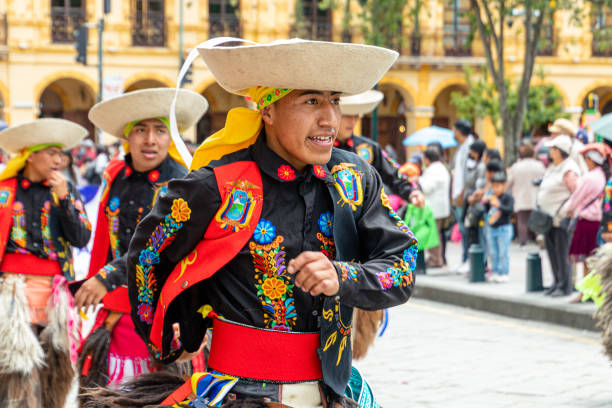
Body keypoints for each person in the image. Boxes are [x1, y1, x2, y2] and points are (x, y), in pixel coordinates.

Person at [125, 38, 416, 407]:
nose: (329, 118)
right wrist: (168, 340)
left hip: (330, 394)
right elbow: (147, 256)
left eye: (335, 100)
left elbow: (403, 264)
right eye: (311, 101)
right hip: (238, 395)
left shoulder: (355, 179)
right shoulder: (216, 186)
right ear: (267, 110)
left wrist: (343, 277)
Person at [73, 88, 209, 389]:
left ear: (170, 137)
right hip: (117, 315)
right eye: (141, 130)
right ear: (127, 137)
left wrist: (105, 277)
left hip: (165, 313)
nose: (151, 140)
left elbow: (156, 245)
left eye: (160, 130)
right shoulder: (116, 176)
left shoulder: (183, 183)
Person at [0, 118, 91, 408]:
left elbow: (80, 237)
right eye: (51, 152)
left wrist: (65, 198)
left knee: (54, 372)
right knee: (15, 371)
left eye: (61, 154)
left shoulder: (65, 190)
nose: (58, 160)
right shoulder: (4, 190)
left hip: (54, 295)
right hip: (11, 293)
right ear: (30, 154)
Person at [336, 89, 420, 204]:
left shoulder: (368, 148)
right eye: (346, 115)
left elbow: (393, 173)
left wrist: (411, 192)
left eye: (355, 115)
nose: (352, 121)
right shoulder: (321, 149)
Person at [537, 135, 580, 296]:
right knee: (552, 251)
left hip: (560, 219)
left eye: (552, 148)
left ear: (559, 151)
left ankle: (565, 285)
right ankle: (556, 281)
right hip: (548, 219)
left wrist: (564, 211)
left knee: (563, 253)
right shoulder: (554, 166)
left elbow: (576, 193)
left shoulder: (569, 169)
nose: (550, 151)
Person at [563, 144, 607, 283]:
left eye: (586, 159)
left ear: (591, 160)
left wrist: (567, 209)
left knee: (586, 257)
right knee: (591, 256)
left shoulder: (590, 177)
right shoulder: (601, 175)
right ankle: (588, 288)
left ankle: (586, 289)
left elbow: (577, 196)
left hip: (586, 219)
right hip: (596, 218)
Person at [507, 142, 545, 245]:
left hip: (520, 197)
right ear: (533, 153)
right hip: (536, 197)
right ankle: (539, 237)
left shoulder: (516, 167)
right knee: (536, 219)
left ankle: (523, 241)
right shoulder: (539, 166)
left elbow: (508, 182)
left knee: (522, 221)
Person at [419, 146, 451, 267]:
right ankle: (437, 259)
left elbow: (427, 187)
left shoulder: (434, 170)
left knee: (433, 234)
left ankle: (435, 259)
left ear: (428, 158)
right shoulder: (440, 167)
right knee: (436, 234)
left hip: (434, 208)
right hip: (439, 208)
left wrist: (418, 181)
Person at [451, 119, 474, 272]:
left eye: (454, 129)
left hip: (464, 195)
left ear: (459, 131)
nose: (453, 132)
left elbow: (469, 173)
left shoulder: (469, 147)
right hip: (459, 193)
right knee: (463, 228)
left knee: (467, 229)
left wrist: (462, 193)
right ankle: (465, 258)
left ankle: (469, 259)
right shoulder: (462, 147)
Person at [483, 171, 514, 283]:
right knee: (493, 252)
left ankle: (504, 272)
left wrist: (499, 205)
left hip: (504, 228)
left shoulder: (508, 197)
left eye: (498, 186)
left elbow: (510, 211)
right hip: (491, 227)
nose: (495, 189)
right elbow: (486, 211)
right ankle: (495, 271)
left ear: (504, 186)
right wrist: (486, 203)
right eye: (493, 186)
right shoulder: (491, 197)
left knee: (503, 252)